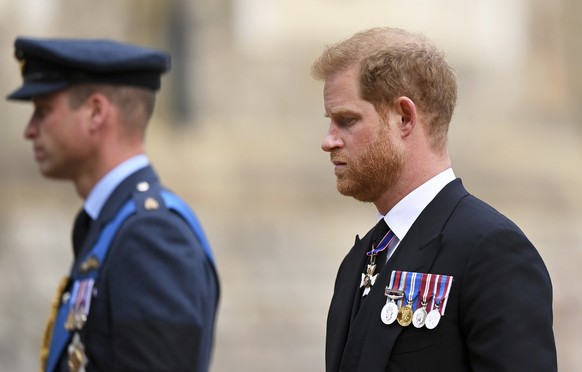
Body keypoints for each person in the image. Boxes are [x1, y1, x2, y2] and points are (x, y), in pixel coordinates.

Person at [311, 27, 557, 371]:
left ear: (404, 118)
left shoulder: (491, 251)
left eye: (346, 120)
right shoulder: (362, 257)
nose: (328, 141)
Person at [7, 37, 219, 372]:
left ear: (95, 112)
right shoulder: (113, 223)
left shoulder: (151, 236)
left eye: (43, 111)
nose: (29, 131)